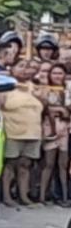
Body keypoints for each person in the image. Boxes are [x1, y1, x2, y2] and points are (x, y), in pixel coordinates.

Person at [0, 59, 44, 206]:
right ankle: (6, 196)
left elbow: (45, 105)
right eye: (21, 66)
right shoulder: (5, 87)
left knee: (25, 165)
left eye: (28, 67)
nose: (25, 70)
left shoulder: (34, 87)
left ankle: (23, 196)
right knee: (10, 165)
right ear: (12, 69)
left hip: (33, 133)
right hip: (13, 133)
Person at [40, 63, 70, 205]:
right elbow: (45, 108)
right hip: (50, 128)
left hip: (65, 128)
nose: (57, 76)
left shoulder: (68, 90)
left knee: (63, 165)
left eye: (60, 73)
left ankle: (64, 196)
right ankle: (42, 196)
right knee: (49, 164)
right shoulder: (45, 90)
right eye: (54, 73)